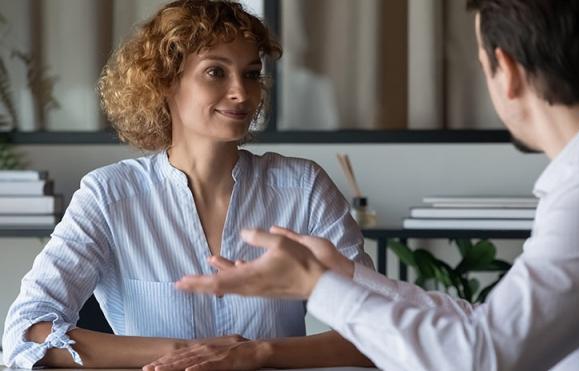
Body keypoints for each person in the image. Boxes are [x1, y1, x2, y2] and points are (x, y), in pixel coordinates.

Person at [171, 0, 579, 370]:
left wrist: (316, 287)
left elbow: (478, 358)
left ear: (507, 71)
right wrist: (350, 278)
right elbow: (490, 329)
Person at [1, 0, 374, 369]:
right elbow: (25, 331)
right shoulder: (108, 196)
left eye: (250, 73)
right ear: (164, 82)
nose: (241, 93)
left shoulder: (303, 188)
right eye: (216, 72)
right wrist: (183, 350)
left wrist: (258, 353)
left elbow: (376, 328)